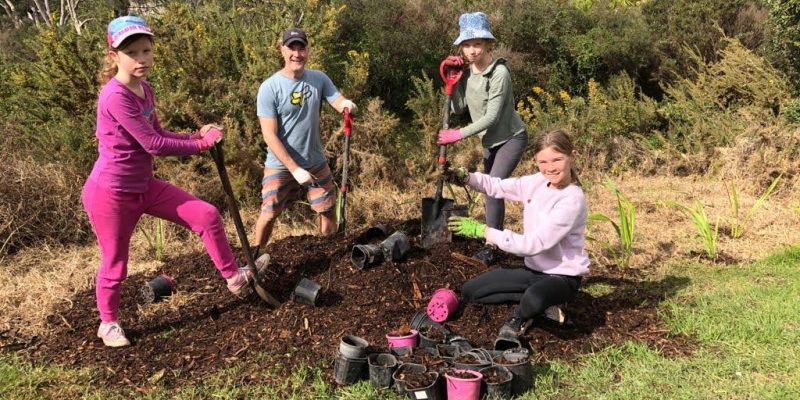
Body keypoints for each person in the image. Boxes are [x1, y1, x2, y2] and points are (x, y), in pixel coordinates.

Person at [83, 16, 251, 347]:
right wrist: (201, 145)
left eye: (146, 50)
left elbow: (158, 132)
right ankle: (108, 324)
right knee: (115, 263)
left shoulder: (145, 89)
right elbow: (154, 145)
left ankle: (233, 277)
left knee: (205, 215)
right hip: (112, 193)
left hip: (144, 186)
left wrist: (194, 135)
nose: (142, 58)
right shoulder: (115, 96)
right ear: (114, 55)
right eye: (132, 52)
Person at [447, 129, 589, 338]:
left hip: (562, 276)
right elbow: (497, 186)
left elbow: (532, 244)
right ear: (535, 161)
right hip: (534, 271)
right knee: (471, 292)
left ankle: (521, 316)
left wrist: (484, 231)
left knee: (533, 298)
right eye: (543, 162)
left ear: (572, 156)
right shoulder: (537, 182)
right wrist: (466, 177)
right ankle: (542, 303)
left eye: (557, 160)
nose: (550, 168)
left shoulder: (571, 200)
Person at [253, 28, 357, 255]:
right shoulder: (269, 88)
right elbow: (269, 134)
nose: (297, 54)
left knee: (328, 209)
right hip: (281, 164)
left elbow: (337, 100)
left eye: (301, 48)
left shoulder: (318, 79)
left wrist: (346, 105)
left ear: (307, 51)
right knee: (269, 212)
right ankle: (254, 260)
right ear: (282, 50)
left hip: (314, 160)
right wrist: (294, 168)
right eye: (292, 48)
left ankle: (327, 255)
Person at [438, 11, 529, 266]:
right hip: (490, 142)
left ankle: (492, 245)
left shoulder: (499, 73)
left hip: (511, 138)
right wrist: (452, 82)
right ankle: (494, 239)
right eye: (466, 45)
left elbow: (491, 117)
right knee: (492, 189)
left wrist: (457, 134)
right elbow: (458, 109)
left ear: (489, 43)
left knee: (493, 188)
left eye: (477, 43)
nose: (472, 50)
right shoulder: (468, 74)